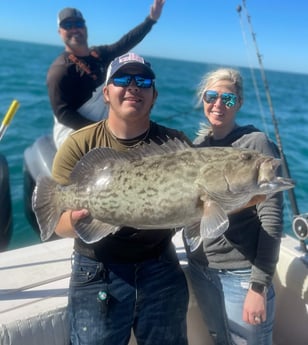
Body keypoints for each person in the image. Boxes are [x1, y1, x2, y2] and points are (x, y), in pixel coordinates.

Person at [51, 52, 191, 345]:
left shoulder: (176, 145)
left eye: (143, 80)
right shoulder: (80, 144)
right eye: (122, 79)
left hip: (161, 266)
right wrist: (78, 220)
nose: (133, 86)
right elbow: (57, 224)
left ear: (154, 95)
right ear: (105, 92)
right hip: (98, 269)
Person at [184, 68, 284, 345]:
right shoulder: (196, 147)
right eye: (211, 96)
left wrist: (258, 286)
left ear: (238, 103)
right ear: (203, 99)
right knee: (219, 339)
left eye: (227, 99)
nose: (218, 104)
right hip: (201, 268)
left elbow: (272, 219)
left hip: (240, 273)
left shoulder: (255, 145)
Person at [47, 0, 165, 149]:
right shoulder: (60, 70)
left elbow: (125, 42)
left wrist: (151, 20)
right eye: (68, 26)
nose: (75, 29)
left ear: (85, 27)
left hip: (106, 129)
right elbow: (63, 114)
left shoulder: (99, 54)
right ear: (60, 32)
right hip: (74, 135)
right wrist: (104, 133)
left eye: (78, 24)